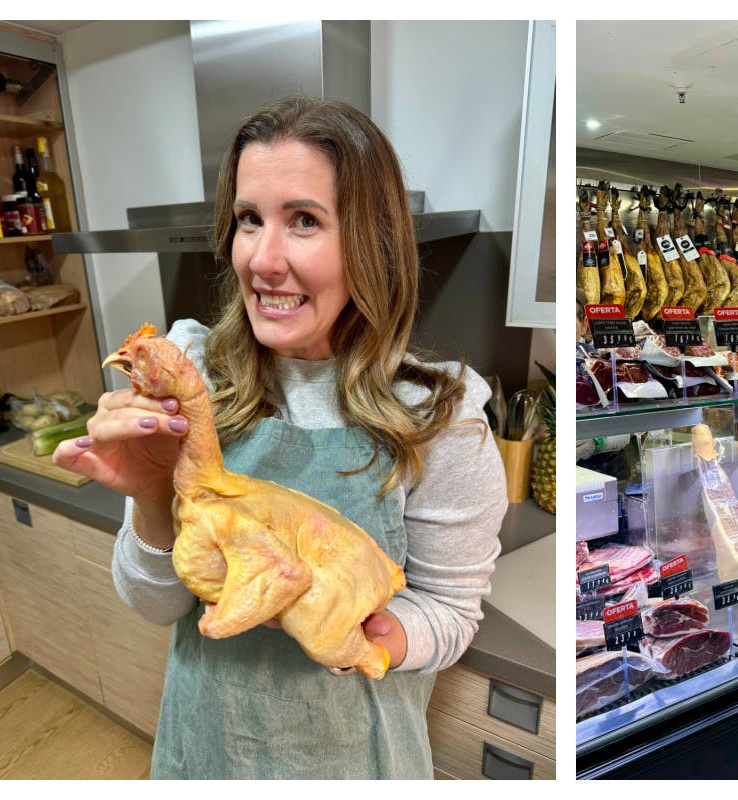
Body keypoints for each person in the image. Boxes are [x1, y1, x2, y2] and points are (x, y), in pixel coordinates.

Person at [53, 95, 508, 779]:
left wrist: (339, 629)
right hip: (204, 753)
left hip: (355, 764)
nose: (262, 260)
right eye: (248, 220)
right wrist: (152, 496)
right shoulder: (190, 381)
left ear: (371, 241)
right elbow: (156, 604)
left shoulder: (442, 416)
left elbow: (449, 612)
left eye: (304, 221)